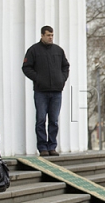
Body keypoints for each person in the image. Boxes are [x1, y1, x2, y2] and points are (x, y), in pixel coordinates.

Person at [22, 25, 70, 156]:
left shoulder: (58, 50)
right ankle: (42, 147)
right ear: (42, 35)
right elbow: (26, 67)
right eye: (48, 35)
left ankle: (52, 146)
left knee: (54, 120)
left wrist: (62, 79)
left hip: (56, 91)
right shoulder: (33, 50)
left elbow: (66, 66)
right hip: (41, 91)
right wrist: (38, 78)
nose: (50, 37)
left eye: (52, 35)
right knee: (41, 119)